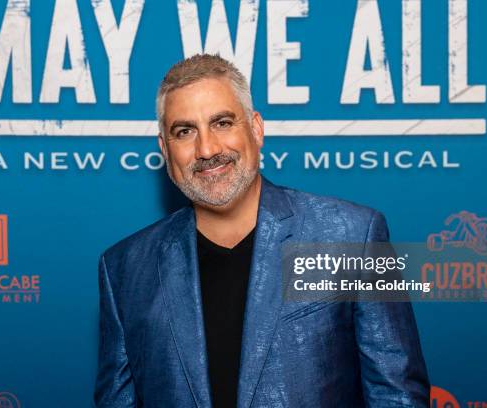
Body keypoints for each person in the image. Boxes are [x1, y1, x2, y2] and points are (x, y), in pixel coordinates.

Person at [94, 54, 430, 407]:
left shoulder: (354, 237)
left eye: (222, 123)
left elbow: (397, 396)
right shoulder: (124, 269)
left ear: (256, 129)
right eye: (185, 131)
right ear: (165, 149)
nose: (207, 149)